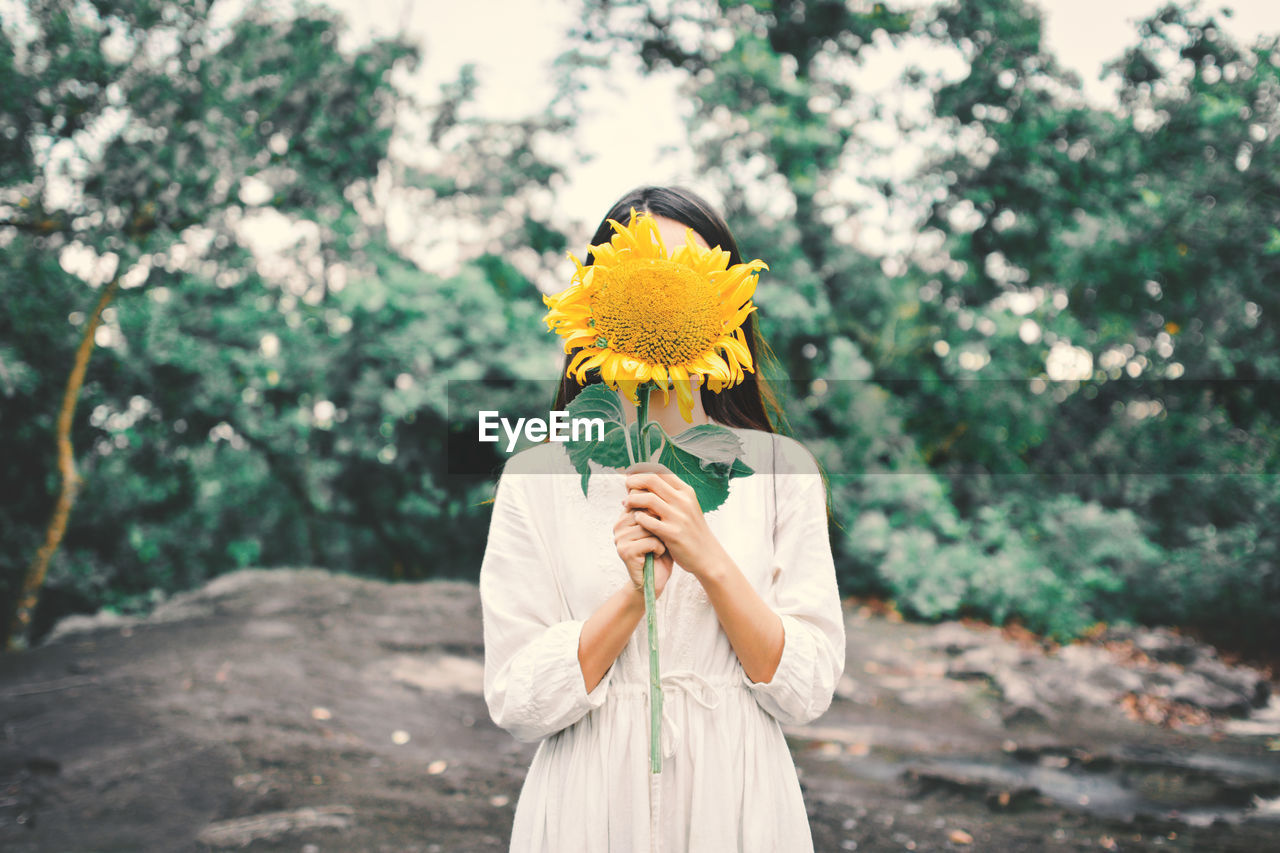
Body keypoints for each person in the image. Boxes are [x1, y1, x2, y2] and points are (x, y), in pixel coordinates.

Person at [479, 186, 845, 852]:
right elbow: (516, 699)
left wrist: (709, 559)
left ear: (725, 302)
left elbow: (809, 688)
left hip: (738, 801)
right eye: (644, 274)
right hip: (585, 805)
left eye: (690, 274)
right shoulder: (539, 478)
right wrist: (630, 598)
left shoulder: (779, 469)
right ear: (596, 295)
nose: (667, 289)